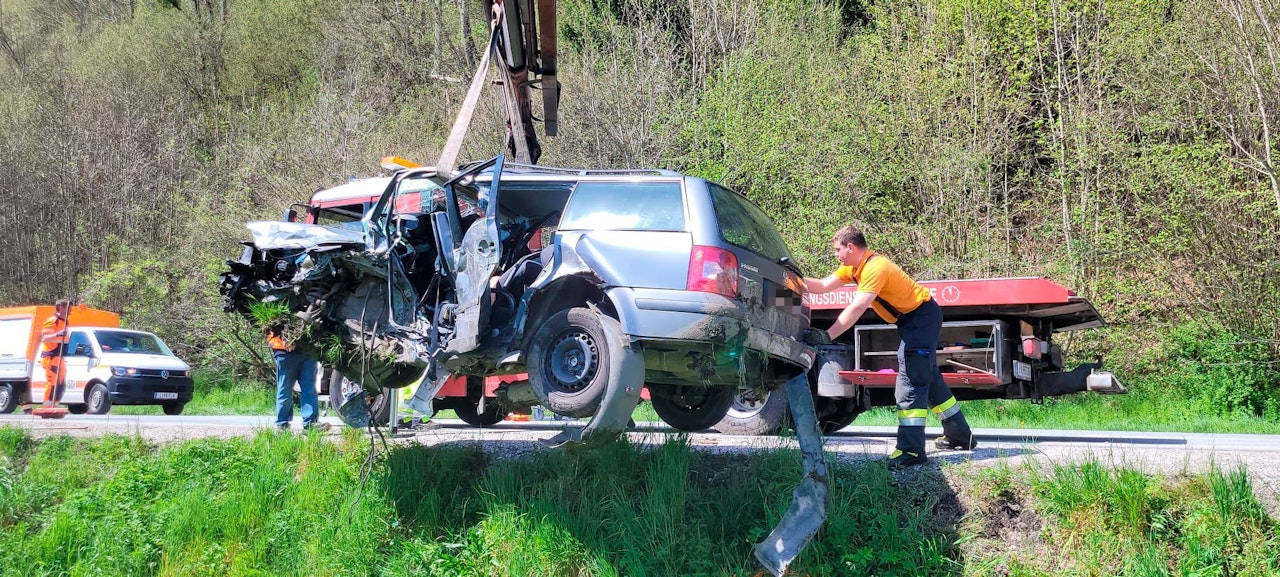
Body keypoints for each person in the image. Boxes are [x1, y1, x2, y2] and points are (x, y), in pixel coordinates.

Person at [804, 225, 976, 469]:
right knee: (928, 377)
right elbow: (821, 287)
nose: (836, 255)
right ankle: (960, 435)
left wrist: (827, 335)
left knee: (909, 381)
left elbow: (857, 307)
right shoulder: (854, 268)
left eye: (837, 250)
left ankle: (911, 450)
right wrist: (791, 279)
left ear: (850, 247)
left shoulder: (875, 267)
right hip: (913, 320)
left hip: (921, 318)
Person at [266, 324, 329, 431]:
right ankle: (282, 424)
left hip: (308, 350)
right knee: (285, 388)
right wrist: (284, 340)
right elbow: (268, 322)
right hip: (285, 352)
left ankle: (310, 424)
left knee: (310, 388)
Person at [38, 300, 71, 408]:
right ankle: (47, 407)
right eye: (69, 308)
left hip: (59, 357)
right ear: (61, 307)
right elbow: (44, 338)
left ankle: (54, 406)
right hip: (51, 357)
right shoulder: (52, 321)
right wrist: (58, 334)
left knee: (61, 384)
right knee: (53, 383)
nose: (71, 310)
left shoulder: (65, 321)